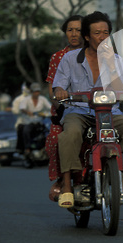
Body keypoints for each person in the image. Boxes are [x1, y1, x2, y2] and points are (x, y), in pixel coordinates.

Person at [52, 11, 123, 208]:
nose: (102, 37)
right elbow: (58, 85)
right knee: (70, 134)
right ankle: (67, 186)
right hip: (78, 110)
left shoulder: (116, 59)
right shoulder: (69, 58)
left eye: (106, 33)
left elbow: (122, 90)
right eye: (97, 33)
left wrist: (110, 63)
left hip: (110, 111)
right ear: (87, 36)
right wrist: (60, 91)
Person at [45, 15, 84, 184]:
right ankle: (63, 180)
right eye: (70, 30)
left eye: (79, 30)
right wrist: (61, 103)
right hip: (67, 111)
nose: (74, 34)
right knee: (56, 138)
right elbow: (52, 90)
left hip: (95, 107)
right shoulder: (58, 57)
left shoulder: (96, 54)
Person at [19, 82, 51, 155]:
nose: (37, 93)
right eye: (35, 91)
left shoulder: (42, 99)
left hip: (40, 122)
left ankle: (46, 147)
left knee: (48, 131)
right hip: (29, 122)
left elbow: (50, 107)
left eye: (38, 91)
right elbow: (22, 108)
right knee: (26, 130)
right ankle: (27, 148)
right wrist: (27, 112)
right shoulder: (26, 99)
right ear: (31, 92)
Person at [11, 83, 30, 153]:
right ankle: (21, 149)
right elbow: (14, 110)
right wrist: (22, 111)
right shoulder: (18, 99)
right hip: (22, 120)